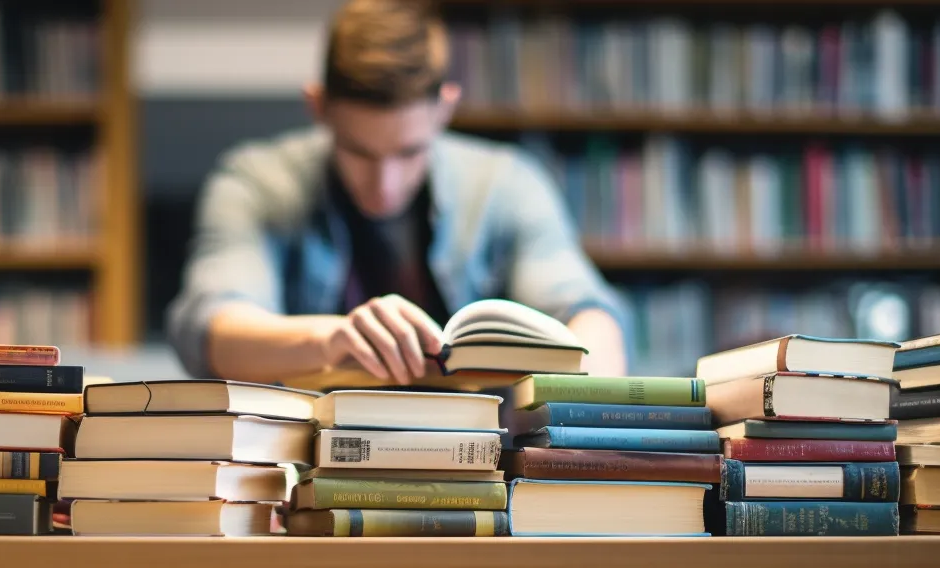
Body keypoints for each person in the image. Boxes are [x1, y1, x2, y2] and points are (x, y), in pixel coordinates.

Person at [166, 0, 630, 386]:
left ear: (444, 109)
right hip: (303, 473)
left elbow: (585, 313)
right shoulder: (256, 181)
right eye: (359, 152)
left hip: (483, 469)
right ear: (318, 106)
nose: (383, 186)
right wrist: (332, 340)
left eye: (409, 152)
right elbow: (213, 328)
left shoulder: (505, 184)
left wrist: (592, 397)